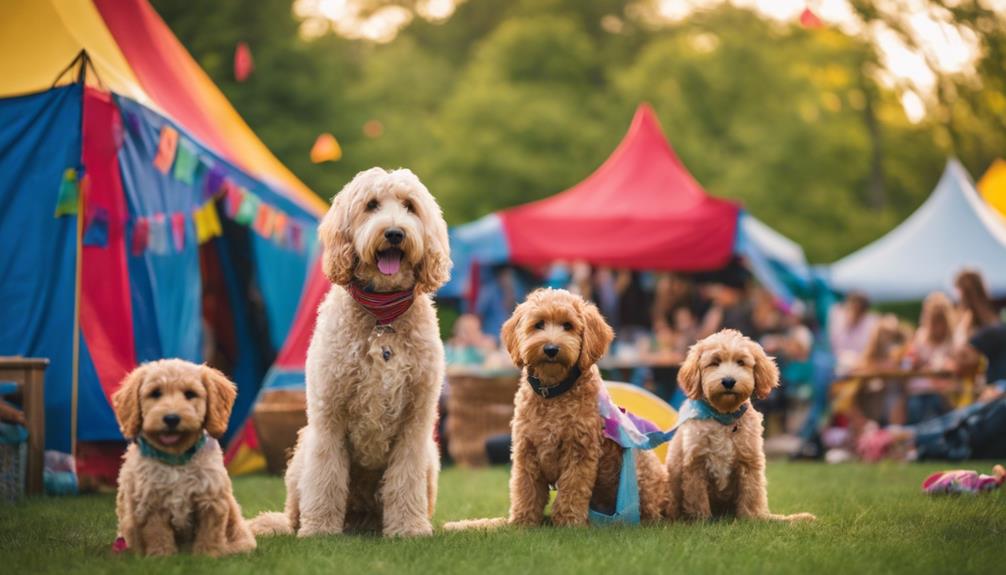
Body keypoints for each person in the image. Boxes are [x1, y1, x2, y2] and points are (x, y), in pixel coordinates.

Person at [902, 293, 956, 424]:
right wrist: (913, 363)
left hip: (943, 392)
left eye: (940, 321)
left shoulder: (953, 340)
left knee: (935, 404)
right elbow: (906, 365)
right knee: (915, 405)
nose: (937, 327)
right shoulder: (920, 336)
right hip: (918, 391)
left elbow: (953, 367)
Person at [828, 292, 877, 376]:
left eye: (857, 310)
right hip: (840, 367)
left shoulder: (872, 323)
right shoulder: (836, 316)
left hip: (862, 367)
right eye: (851, 308)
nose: (852, 313)